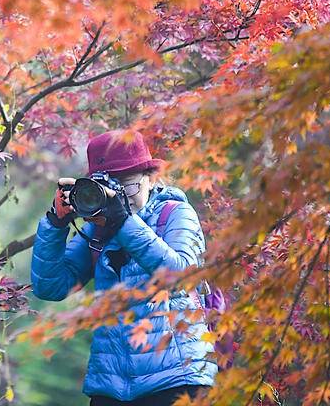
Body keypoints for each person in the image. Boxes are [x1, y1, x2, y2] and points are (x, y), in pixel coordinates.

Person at [31, 129, 217, 406]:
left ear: (149, 178)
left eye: (127, 186)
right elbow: (51, 286)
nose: (121, 197)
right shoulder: (98, 229)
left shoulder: (174, 213)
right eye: (111, 189)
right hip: (111, 385)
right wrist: (56, 224)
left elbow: (181, 276)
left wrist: (124, 222)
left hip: (176, 378)